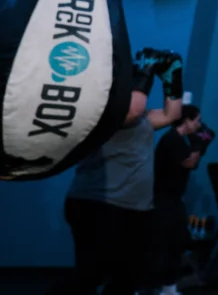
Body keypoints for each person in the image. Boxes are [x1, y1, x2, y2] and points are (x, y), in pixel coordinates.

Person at [56, 48, 184, 295]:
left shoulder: (140, 119)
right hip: (99, 204)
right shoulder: (103, 114)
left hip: (134, 209)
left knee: (126, 279)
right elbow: (133, 109)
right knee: (89, 276)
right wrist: (145, 70)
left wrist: (172, 76)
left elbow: (172, 114)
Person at [149, 104, 208, 295]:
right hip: (163, 200)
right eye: (196, 120)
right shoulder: (172, 139)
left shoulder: (180, 141)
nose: (199, 125)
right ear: (187, 121)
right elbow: (190, 162)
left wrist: (198, 145)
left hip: (173, 200)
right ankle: (140, 286)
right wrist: (200, 144)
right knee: (159, 245)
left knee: (177, 243)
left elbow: (192, 162)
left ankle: (169, 287)